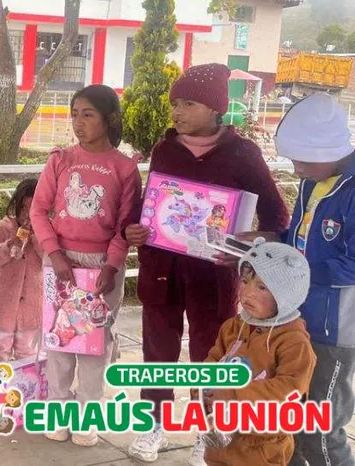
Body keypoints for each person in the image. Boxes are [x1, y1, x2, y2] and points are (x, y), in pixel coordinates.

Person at [123, 64, 290, 462]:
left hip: (213, 274)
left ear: (216, 108)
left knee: (211, 353)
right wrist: (134, 229)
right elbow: (151, 206)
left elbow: (276, 216)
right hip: (161, 270)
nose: (177, 112)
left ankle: (207, 431)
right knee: (157, 349)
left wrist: (251, 243)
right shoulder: (165, 150)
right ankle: (153, 423)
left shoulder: (243, 154)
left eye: (188, 104)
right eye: (175, 103)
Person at [30, 85, 141, 448]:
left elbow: (126, 224)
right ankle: (58, 413)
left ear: (110, 118)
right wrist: (55, 254)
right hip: (60, 264)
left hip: (102, 267)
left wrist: (112, 265)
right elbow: (38, 211)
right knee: (59, 341)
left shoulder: (125, 168)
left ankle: (87, 418)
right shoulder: (60, 160)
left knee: (95, 344)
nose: (78, 123)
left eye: (88, 115)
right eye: (75, 114)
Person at [269, 93, 355, 466]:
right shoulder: (311, 182)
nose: (296, 168)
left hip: (335, 331)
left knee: (320, 429)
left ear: (328, 150)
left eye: (302, 160)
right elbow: (298, 239)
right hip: (297, 319)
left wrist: (299, 268)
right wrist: (268, 242)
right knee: (288, 419)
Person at [197, 241, 315, 466]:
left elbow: (290, 388)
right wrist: (203, 391)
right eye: (244, 281)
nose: (248, 293)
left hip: (261, 446)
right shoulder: (233, 326)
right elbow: (213, 360)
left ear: (286, 295)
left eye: (262, 287)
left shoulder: (294, 342)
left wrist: (233, 393)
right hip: (222, 437)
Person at [0, 179, 42, 364]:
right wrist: (8, 246)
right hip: (1, 304)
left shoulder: (47, 231)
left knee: (27, 353)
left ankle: (26, 382)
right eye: (23, 208)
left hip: (32, 307)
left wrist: (37, 238)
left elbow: (51, 259)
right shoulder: (5, 227)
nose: (27, 214)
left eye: (33, 209)